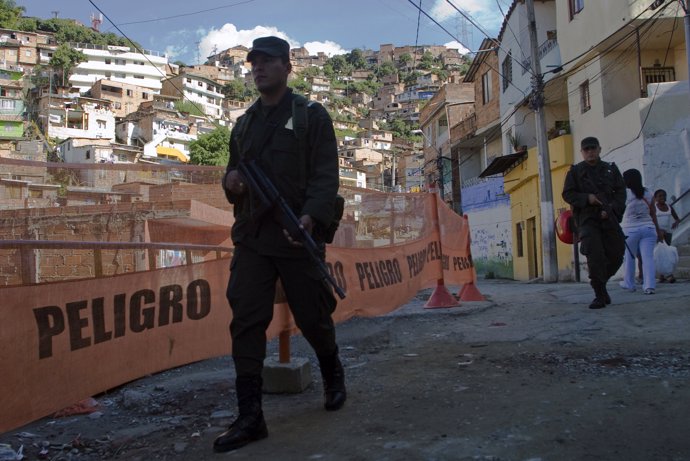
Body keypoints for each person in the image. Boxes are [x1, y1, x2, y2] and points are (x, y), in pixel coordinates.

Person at [215, 36, 345, 452]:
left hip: (297, 234)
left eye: (268, 61)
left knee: (314, 317)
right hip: (254, 238)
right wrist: (230, 182)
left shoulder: (311, 116)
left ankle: (332, 374)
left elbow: (326, 177)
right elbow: (233, 173)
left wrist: (310, 217)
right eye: (254, 62)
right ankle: (250, 416)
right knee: (246, 321)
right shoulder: (245, 124)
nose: (258, 68)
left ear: (288, 67)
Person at [562, 136, 626, 309]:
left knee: (616, 254)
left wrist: (611, 208)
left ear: (599, 149)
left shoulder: (610, 169)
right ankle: (598, 293)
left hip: (609, 217)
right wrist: (587, 198)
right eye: (586, 149)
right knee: (594, 255)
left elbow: (620, 192)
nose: (590, 152)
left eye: (593, 148)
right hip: (587, 219)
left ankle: (602, 284)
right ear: (582, 152)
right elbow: (568, 194)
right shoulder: (575, 172)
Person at [619, 169, 663, 294]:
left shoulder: (625, 193)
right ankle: (649, 286)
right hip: (649, 228)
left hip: (630, 230)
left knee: (629, 257)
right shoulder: (649, 192)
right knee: (648, 257)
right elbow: (653, 213)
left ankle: (629, 284)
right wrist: (658, 230)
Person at [653, 188, 680, 283]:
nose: (662, 197)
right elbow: (650, 220)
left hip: (668, 233)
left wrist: (676, 222)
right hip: (658, 233)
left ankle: (662, 275)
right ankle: (669, 275)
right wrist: (658, 231)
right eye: (660, 196)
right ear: (655, 198)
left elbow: (677, 218)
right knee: (661, 253)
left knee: (667, 252)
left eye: (664, 195)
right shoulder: (654, 208)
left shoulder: (669, 207)